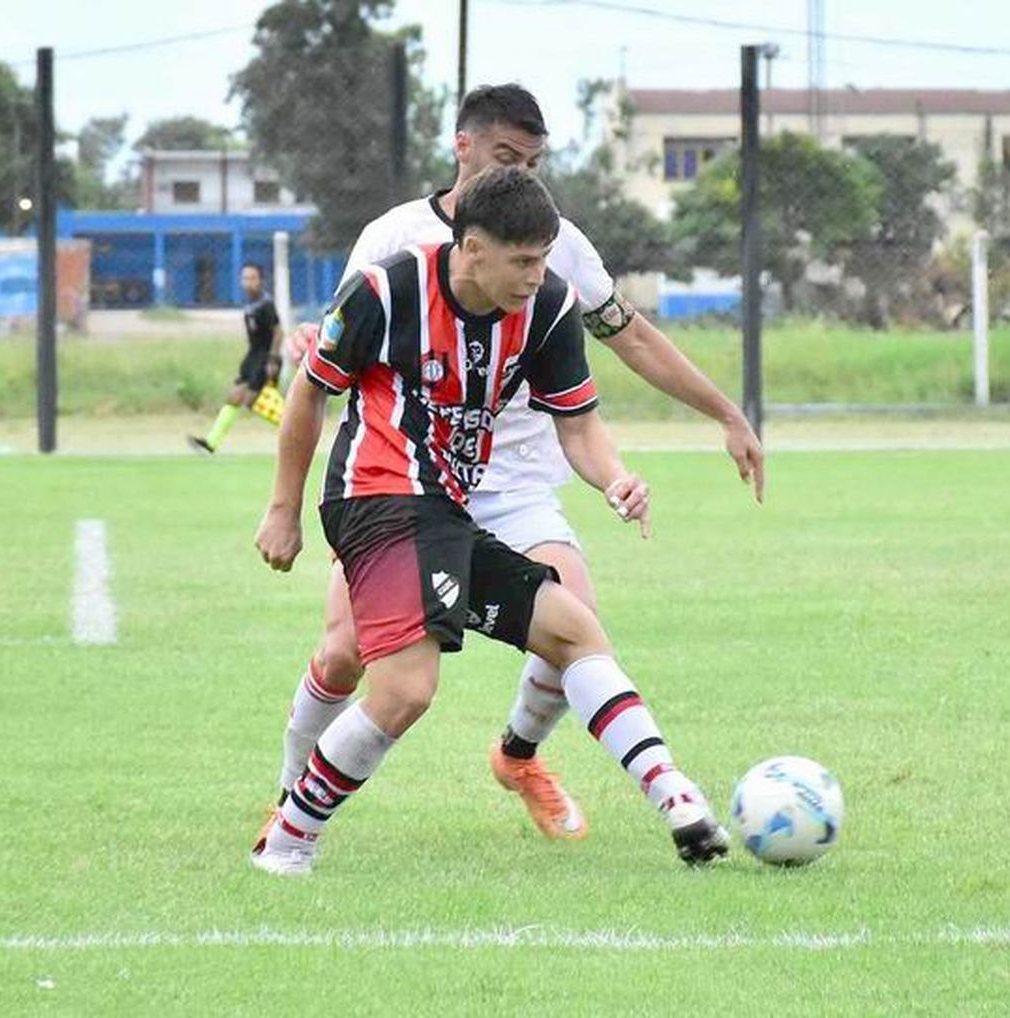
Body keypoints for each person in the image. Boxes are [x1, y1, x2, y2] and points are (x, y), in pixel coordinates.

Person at [273, 83, 762, 842]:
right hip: (398, 480)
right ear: (462, 147)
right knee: (347, 653)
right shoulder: (393, 241)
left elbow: (627, 336)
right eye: (509, 157)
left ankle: (519, 756)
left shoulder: (558, 244)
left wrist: (723, 412)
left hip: (513, 478)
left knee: (576, 622)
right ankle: (290, 801)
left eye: (535, 162)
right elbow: (332, 350)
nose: (525, 176)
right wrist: (289, 485)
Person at [189, 262, 284, 453]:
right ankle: (211, 444)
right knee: (234, 397)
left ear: (260, 281)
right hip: (253, 355)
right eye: (245, 278)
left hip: (264, 356)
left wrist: (272, 359)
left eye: (252, 278)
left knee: (252, 401)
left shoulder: (266, 303)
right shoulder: (250, 303)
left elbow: (278, 331)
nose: (248, 282)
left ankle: (296, 427)